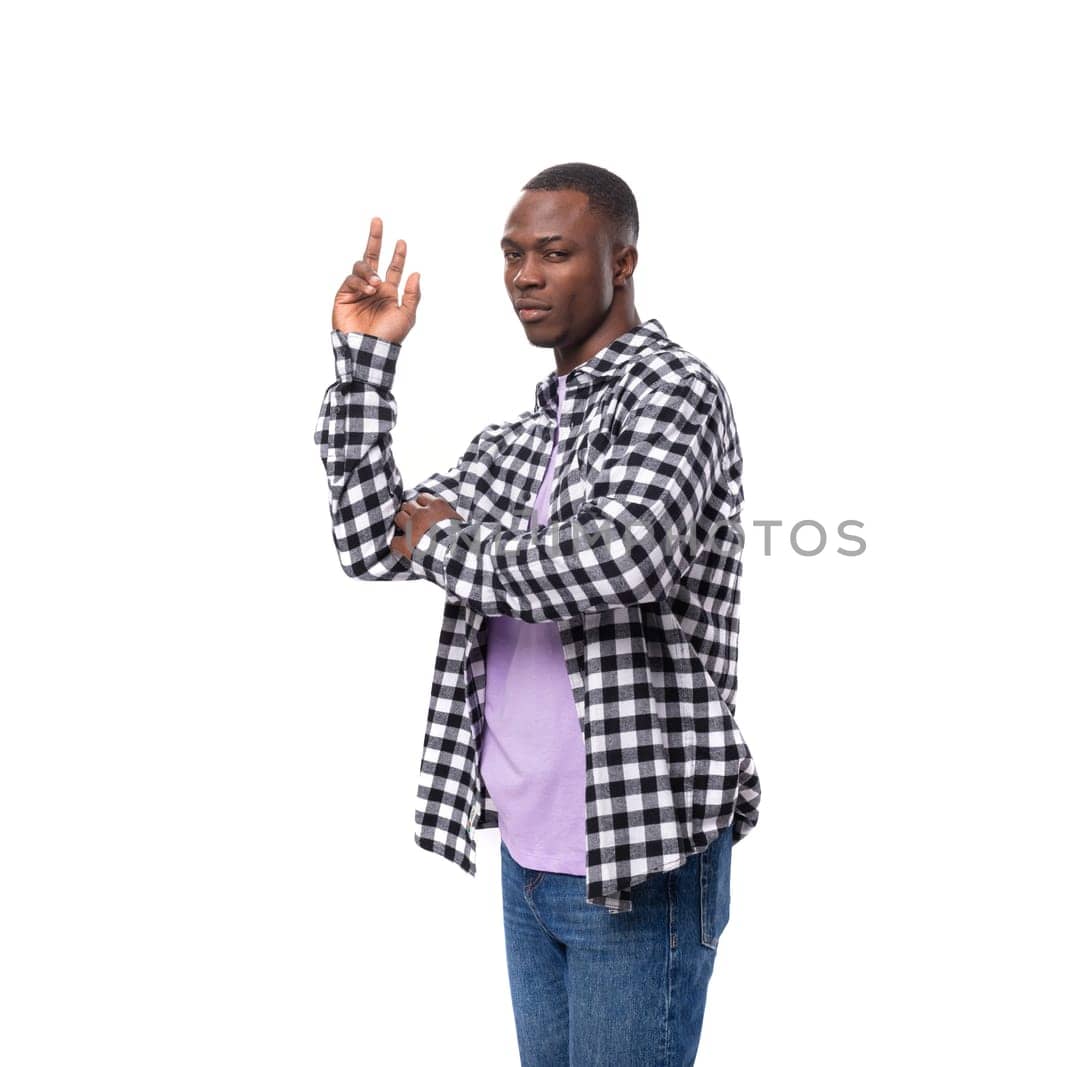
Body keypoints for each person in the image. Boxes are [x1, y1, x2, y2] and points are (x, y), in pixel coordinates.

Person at [314, 162, 761, 1066]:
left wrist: (442, 544)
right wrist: (367, 363)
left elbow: (618, 558)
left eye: (554, 253)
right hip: (527, 854)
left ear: (622, 261)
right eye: (513, 254)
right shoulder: (518, 442)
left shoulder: (675, 394)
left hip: (637, 854)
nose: (525, 275)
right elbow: (370, 540)